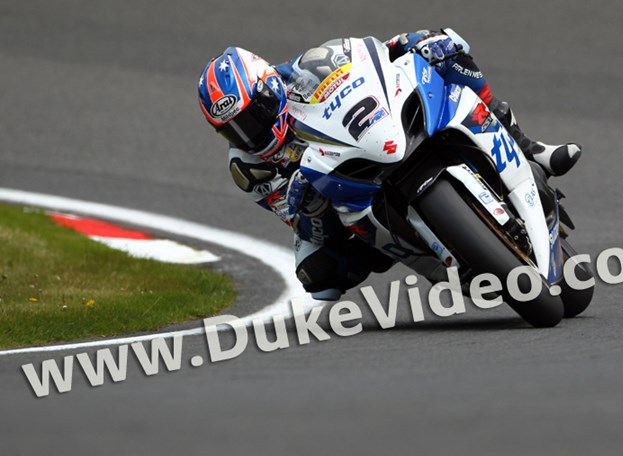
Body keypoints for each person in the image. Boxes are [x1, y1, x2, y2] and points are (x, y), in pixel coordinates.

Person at [197, 28, 582, 300]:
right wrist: (309, 209)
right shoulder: (250, 169)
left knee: (450, 55)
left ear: (269, 87)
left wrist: (417, 42)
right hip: (346, 201)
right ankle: (423, 250)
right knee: (318, 277)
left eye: (254, 114)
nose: (250, 133)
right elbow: (300, 225)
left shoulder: (307, 68)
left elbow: (378, 54)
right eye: (234, 130)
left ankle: (528, 148)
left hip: (381, 140)